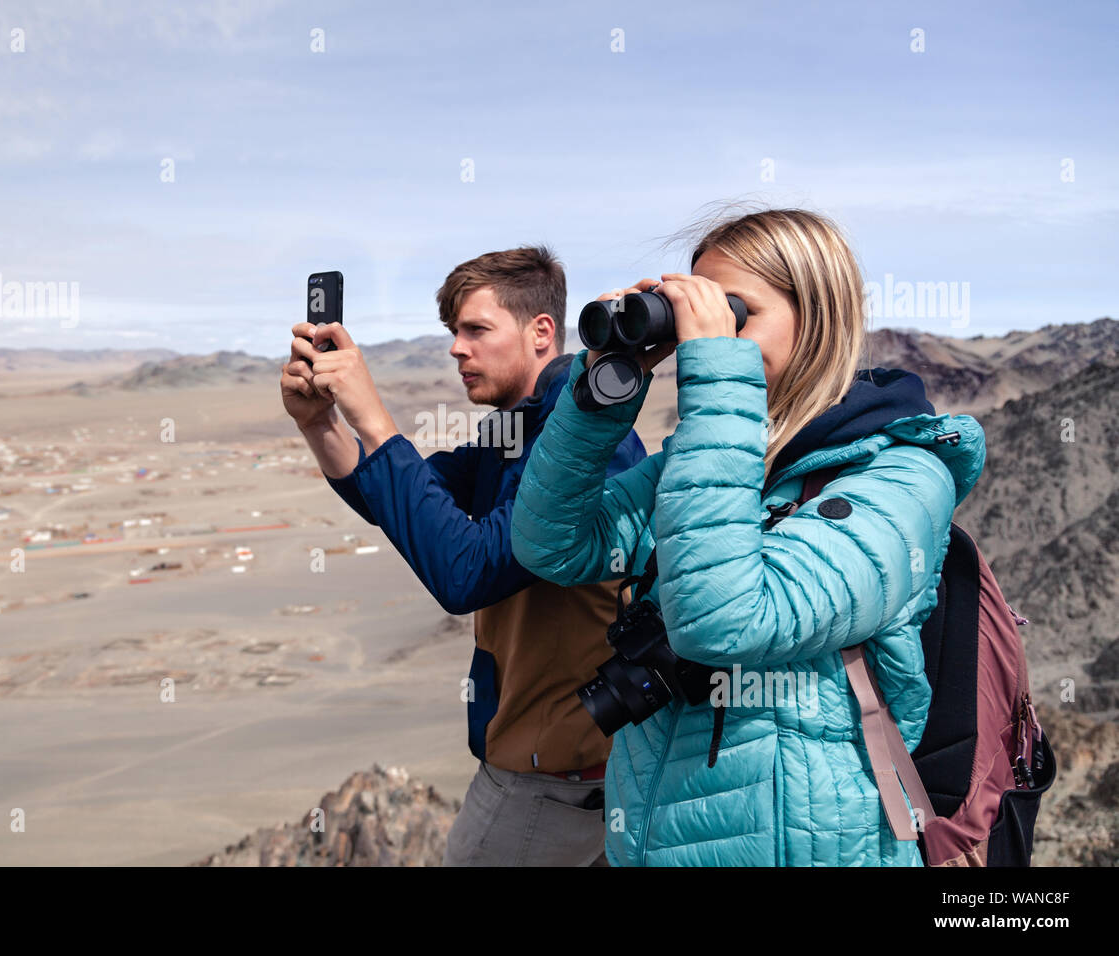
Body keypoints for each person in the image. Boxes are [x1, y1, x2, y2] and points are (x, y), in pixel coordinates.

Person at [510, 209, 987, 866]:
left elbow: (726, 622)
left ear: (817, 316)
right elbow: (553, 545)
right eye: (696, 317)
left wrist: (718, 376)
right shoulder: (710, 457)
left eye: (736, 313)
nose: (706, 336)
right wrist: (600, 395)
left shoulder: (901, 477)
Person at [279, 245, 646, 865]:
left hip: (547, 790)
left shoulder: (585, 443)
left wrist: (373, 417)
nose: (456, 348)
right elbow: (402, 499)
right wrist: (322, 425)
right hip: (551, 780)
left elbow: (465, 573)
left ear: (541, 332)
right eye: (453, 332)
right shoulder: (519, 429)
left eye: (476, 329)